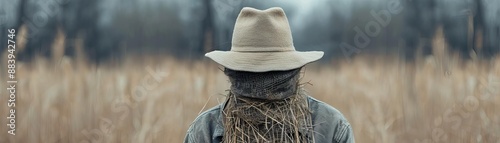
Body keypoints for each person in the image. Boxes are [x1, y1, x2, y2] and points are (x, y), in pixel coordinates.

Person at [184, 7, 354, 143]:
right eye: (252, 74)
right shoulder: (205, 131)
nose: (263, 85)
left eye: (273, 73)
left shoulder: (332, 128)